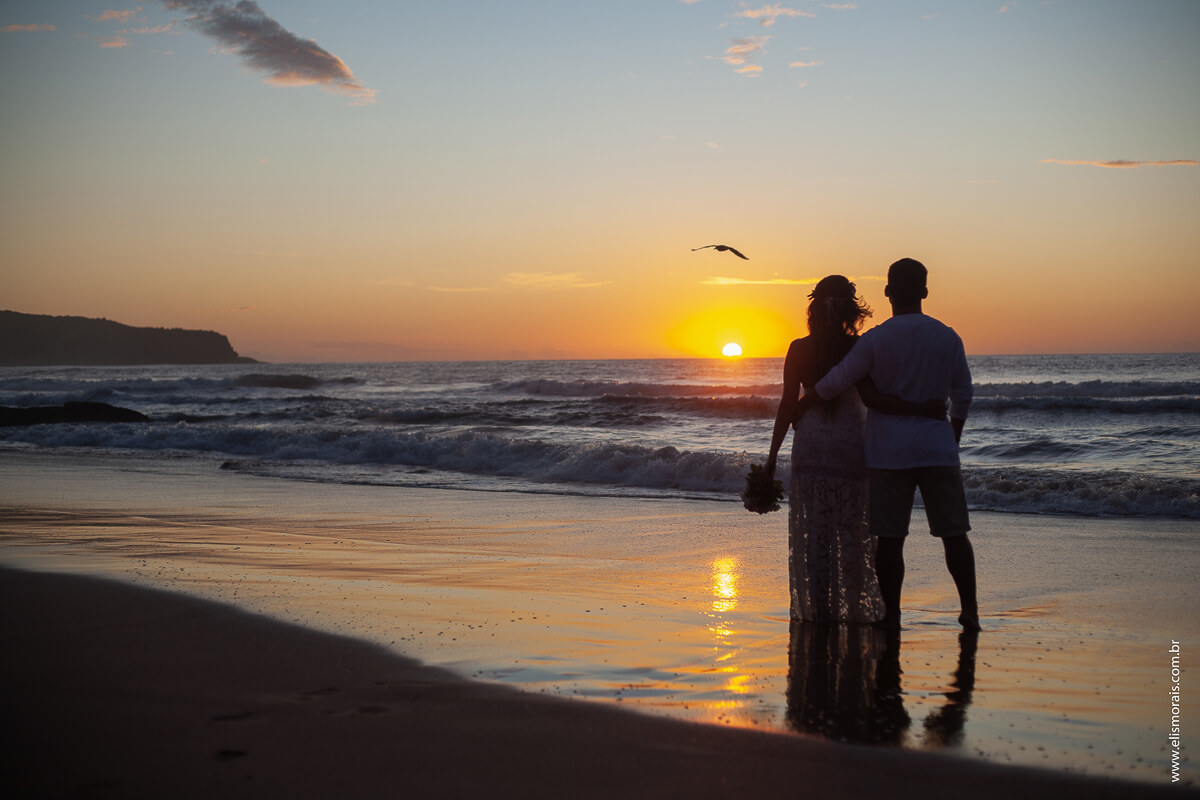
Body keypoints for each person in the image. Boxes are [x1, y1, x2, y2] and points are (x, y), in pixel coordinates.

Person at [765, 275, 942, 624]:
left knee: (815, 534)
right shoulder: (858, 347)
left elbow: (787, 405)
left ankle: (820, 612)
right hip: (851, 446)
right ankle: (857, 610)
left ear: (814, 308)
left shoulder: (798, 348)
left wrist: (772, 457)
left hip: (811, 447)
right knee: (852, 531)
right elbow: (875, 400)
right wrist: (920, 408)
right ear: (851, 307)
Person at [814, 258, 979, 631]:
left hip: (888, 453)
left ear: (888, 292)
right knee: (954, 534)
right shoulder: (947, 336)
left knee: (890, 540)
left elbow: (834, 383)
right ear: (924, 291)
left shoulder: (875, 340)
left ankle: (892, 615)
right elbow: (963, 395)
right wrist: (952, 436)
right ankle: (970, 610)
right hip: (937, 449)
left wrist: (807, 397)